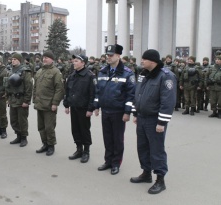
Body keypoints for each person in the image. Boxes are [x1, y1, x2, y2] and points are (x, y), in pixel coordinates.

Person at [130, 49, 176, 195]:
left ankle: (160, 180)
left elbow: (168, 102)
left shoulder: (166, 76)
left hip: (155, 120)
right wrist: (136, 113)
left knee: (156, 150)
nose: (141, 61)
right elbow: (138, 94)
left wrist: (161, 123)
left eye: (144, 59)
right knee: (142, 147)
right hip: (142, 117)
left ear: (153, 61)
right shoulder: (143, 75)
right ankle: (146, 173)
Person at [94, 44, 135, 175]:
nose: (109, 57)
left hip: (118, 112)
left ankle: (116, 163)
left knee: (117, 139)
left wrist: (127, 112)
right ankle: (108, 161)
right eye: (107, 55)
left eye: (111, 55)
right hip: (106, 110)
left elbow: (131, 94)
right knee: (107, 137)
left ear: (118, 56)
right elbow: (98, 91)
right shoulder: (102, 71)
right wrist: (96, 106)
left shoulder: (127, 73)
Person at [63, 54, 95, 163]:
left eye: (76, 61)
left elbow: (92, 94)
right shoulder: (72, 75)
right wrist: (66, 105)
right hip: (74, 107)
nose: (74, 62)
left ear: (83, 63)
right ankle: (78, 149)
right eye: (74, 61)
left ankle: (86, 151)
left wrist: (90, 109)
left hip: (84, 108)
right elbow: (67, 91)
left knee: (84, 130)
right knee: (75, 129)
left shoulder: (90, 76)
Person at [33, 51, 64, 156]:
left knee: (49, 127)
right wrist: (34, 100)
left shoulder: (56, 72)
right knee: (41, 127)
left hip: (49, 105)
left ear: (52, 59)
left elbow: (59, 89)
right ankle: (45, 144)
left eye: (47, 57)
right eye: (43, 57)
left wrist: (55, 103)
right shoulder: (40, 71)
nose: (44, 59)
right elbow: (35, 87)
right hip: (40, 103)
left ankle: (51, 145)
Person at [5, 53, 33, 147]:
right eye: (12, 59)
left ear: (19, 60)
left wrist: (26, 101)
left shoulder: (25, 71)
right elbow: (7, 85)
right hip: (12, 99)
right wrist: (8, 98)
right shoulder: (10, 70)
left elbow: (29, 86)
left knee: (22, 120)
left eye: (15, 59)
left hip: (21, 99)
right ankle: (18, 136)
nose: (13, 60)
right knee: (13, 120)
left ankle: (24, 138)